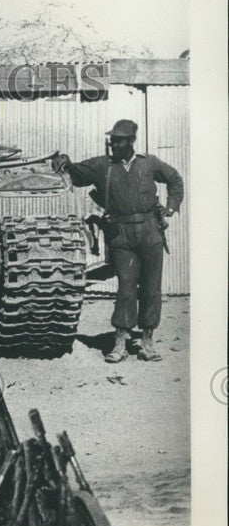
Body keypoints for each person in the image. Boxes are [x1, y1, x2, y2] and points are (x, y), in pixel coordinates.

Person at [52, 119, 184, 362]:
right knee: (126, 288)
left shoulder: (149, 163)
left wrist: (171, 207)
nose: (113, 144)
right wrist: (66, 161)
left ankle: (147, 342)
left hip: (150, 232)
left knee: (151, 289)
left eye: (119, 140)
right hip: (121, 235)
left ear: (131, 141)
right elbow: (78, 174)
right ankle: (120, 343)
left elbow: (175, 180)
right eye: (112, 140)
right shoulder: (103, 165)